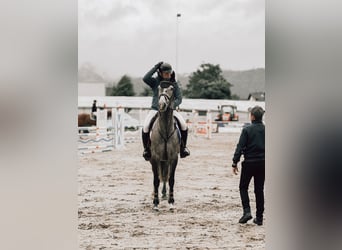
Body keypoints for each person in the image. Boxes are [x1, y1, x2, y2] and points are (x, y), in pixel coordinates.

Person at [142, 61, 190, 161]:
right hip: (155, 110)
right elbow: (145, 78)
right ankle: (146, 149)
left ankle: (183, 148)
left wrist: (172, 105)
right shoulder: (155, 82)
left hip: (171, 110)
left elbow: (179, 98)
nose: (168, 75)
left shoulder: (173, 84)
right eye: (165, 73)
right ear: (160, 73)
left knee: (184, 125)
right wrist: (156, 67)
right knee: (146, 126)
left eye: (169, 73)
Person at [232, 106, 265, 225]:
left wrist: (234, 162)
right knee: (259, 190)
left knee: (243, 187)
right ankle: (260, 218)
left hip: (249, 163)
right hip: (263, 163)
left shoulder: (247, 130)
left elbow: (239, 147)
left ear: (252, 116)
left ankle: (247, 211)